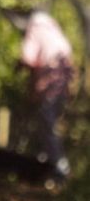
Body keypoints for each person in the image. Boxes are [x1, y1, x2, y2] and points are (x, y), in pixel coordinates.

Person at [20, 10, 74, 184]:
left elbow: (28, 57)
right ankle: (48, 165)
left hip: (49, 87)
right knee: (49, 127)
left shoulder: (36, 29)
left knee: (46, 127)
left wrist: (20, 70)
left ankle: (59, 166)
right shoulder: (55, 32)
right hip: (61, 89)